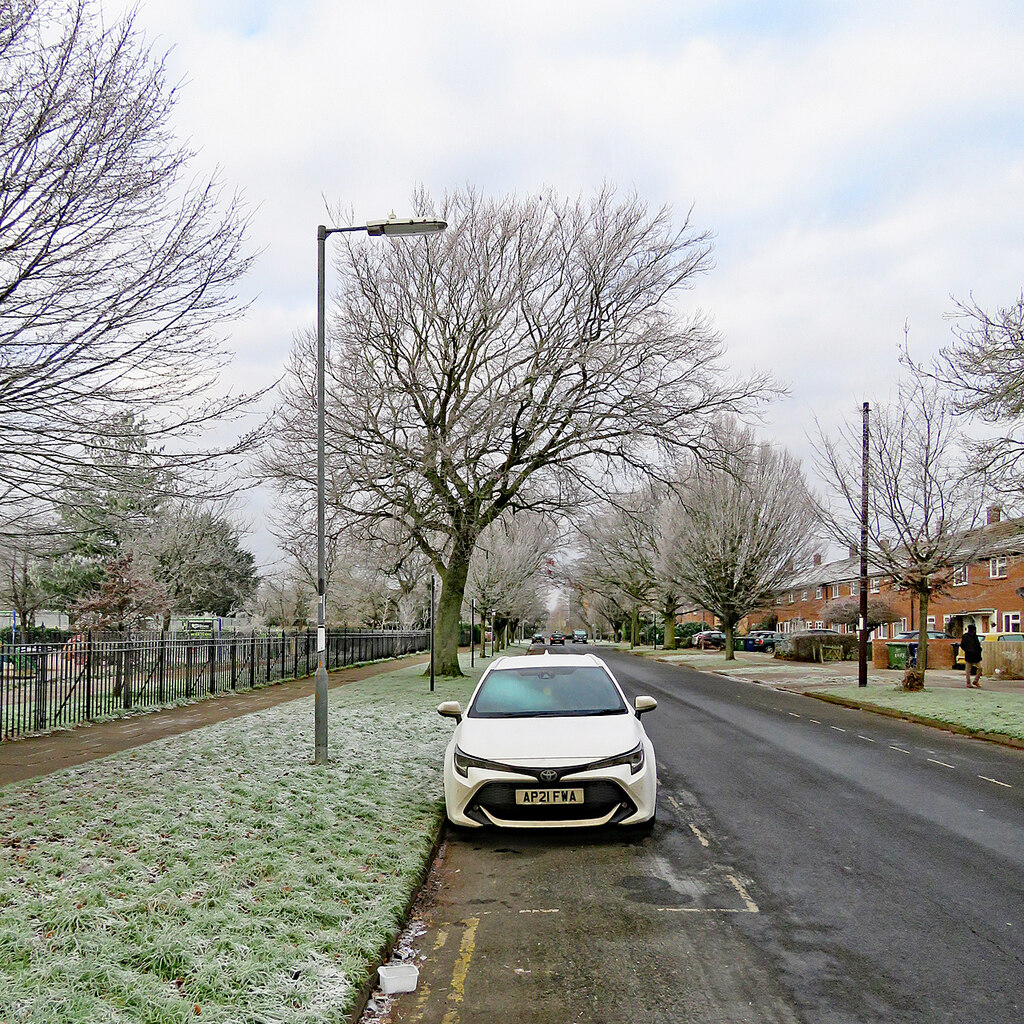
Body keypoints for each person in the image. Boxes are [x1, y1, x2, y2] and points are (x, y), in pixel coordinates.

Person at [959, 624, 982, 688]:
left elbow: (978, 645)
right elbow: (962, 645)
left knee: (980, 668)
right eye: (974, 630)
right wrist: (968, 650)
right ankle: (968, 683)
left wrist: (979, 650)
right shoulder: (965, 636)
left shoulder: (975, 637)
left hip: (976, 656)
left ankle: (975, 681)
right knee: (968, 670)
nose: (975, 631)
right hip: (969, 655)